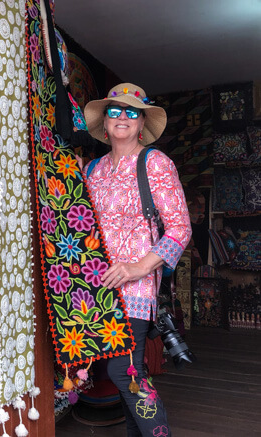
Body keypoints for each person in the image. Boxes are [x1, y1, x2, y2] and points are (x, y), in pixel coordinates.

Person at [79, 83, 192, 436]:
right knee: (125, 373)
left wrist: (138, 268)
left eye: (132, 111)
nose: (123, 117)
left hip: (135, 289)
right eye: (115, 111)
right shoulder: (93, 170)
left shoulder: (155, 162)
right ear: (105, 122)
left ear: (142, 121)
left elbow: (179, 228)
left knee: (123, 373)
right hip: (98, 291)